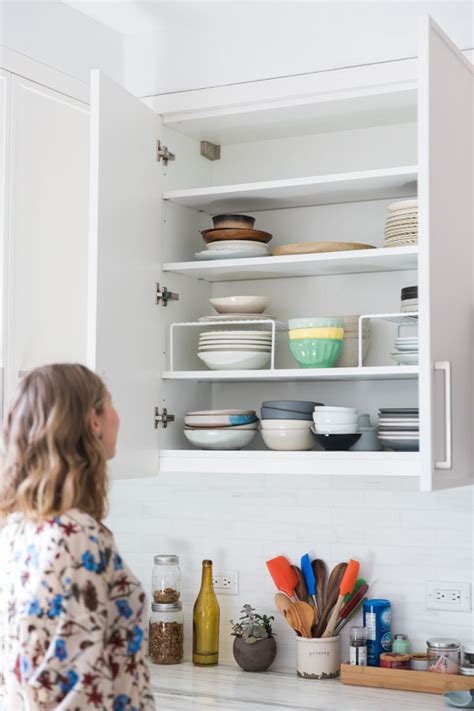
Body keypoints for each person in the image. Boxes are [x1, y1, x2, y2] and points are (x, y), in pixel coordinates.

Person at [0, 364, 155, 710]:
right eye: (110, 405)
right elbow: (76, 687)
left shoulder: (18, 527)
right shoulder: (74, 537)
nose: (118, 417)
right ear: (93, 420)